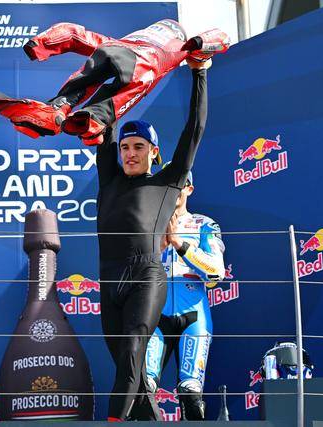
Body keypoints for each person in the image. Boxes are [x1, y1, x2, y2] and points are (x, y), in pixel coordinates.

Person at [95, 54, 212, 421]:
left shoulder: (166, 181)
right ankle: (151, 421)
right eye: (125, 147)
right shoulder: (109, 179)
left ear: (154, 152)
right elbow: (106, 119)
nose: (130, 154)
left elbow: (194, 129)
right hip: (109, 280)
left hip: (146, 278)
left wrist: (199, 74)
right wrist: (114, 75)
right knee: (128, 370)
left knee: (133, 354)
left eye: (139, 147)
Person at [0, 20, 229, 145]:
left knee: (82, 84)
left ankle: (55, 109)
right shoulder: (178, 46)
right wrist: (199, 47)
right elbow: (219, 38)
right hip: (144, 66)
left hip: (110, 50)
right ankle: (91, 120)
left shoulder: (121, 40)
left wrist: (41, 44)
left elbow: (75, 34)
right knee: (136, 83)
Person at [144, 169, 226, 420]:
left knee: (191, 393)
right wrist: (158, 247)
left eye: (179, 184)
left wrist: (180, 244)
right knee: (143, 388)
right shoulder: (147, 222)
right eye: (168, 184)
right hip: (155, 314)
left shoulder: (205, 224)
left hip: (194, 316)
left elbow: (216, 272)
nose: (173, 190)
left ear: (189, 189)